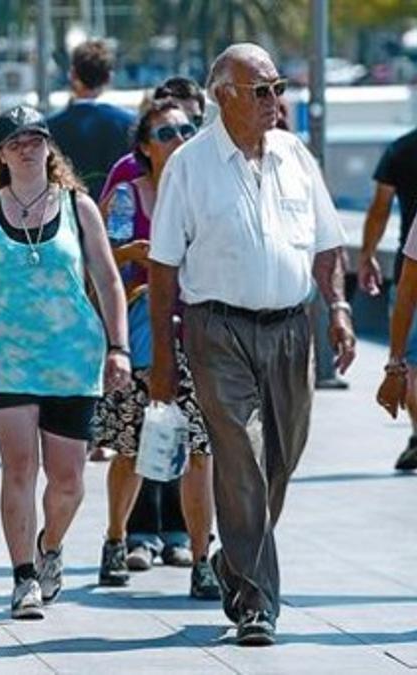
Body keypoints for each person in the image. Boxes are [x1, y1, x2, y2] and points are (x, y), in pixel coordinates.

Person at [148, 43, 355, 646]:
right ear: (222, 97)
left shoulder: (295, 154)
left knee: (280, 461)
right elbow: (163, 269)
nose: (274, 101)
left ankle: (233, 563)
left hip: (293, 328)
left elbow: (325, 244)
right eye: (260, 90)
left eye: (277, 88)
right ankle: (257, 602)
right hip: (217, 328)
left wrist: (338, 309)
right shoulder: (189, 164)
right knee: (239, 452)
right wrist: (164, 358)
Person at [0, 105, 130, 620]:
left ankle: (49, 546)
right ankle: (23, 577)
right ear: (1, 153)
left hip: (72, 356)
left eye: (35, 140)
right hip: (5, 356)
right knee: (19, 468)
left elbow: (108, 279)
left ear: (49, 148)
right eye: (16, 142)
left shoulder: (79, 208)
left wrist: (118, 347)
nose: (27, 149)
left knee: (70, 479)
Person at [92, 100, 220, 600]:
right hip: (145, 331)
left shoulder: (206, 192)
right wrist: (133, 255)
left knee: (200, 452)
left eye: (187, 128)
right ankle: (115, 539)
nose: (179, 138)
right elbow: (104, 258)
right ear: (145, 146)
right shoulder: (129, 195)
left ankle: (202, 558)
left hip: (202, 332)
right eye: (165, 133)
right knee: (129, 447)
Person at [360, 124, 417, 470]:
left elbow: (380, 206)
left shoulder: (401, 148)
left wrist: (367, 252)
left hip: (408, 268)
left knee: (413, 362)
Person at [47, 39, 136, 201]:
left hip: (68, 216)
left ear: (72, 74)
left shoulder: (48, 126)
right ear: (109, 77)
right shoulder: (130, 123)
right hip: (117, 217)